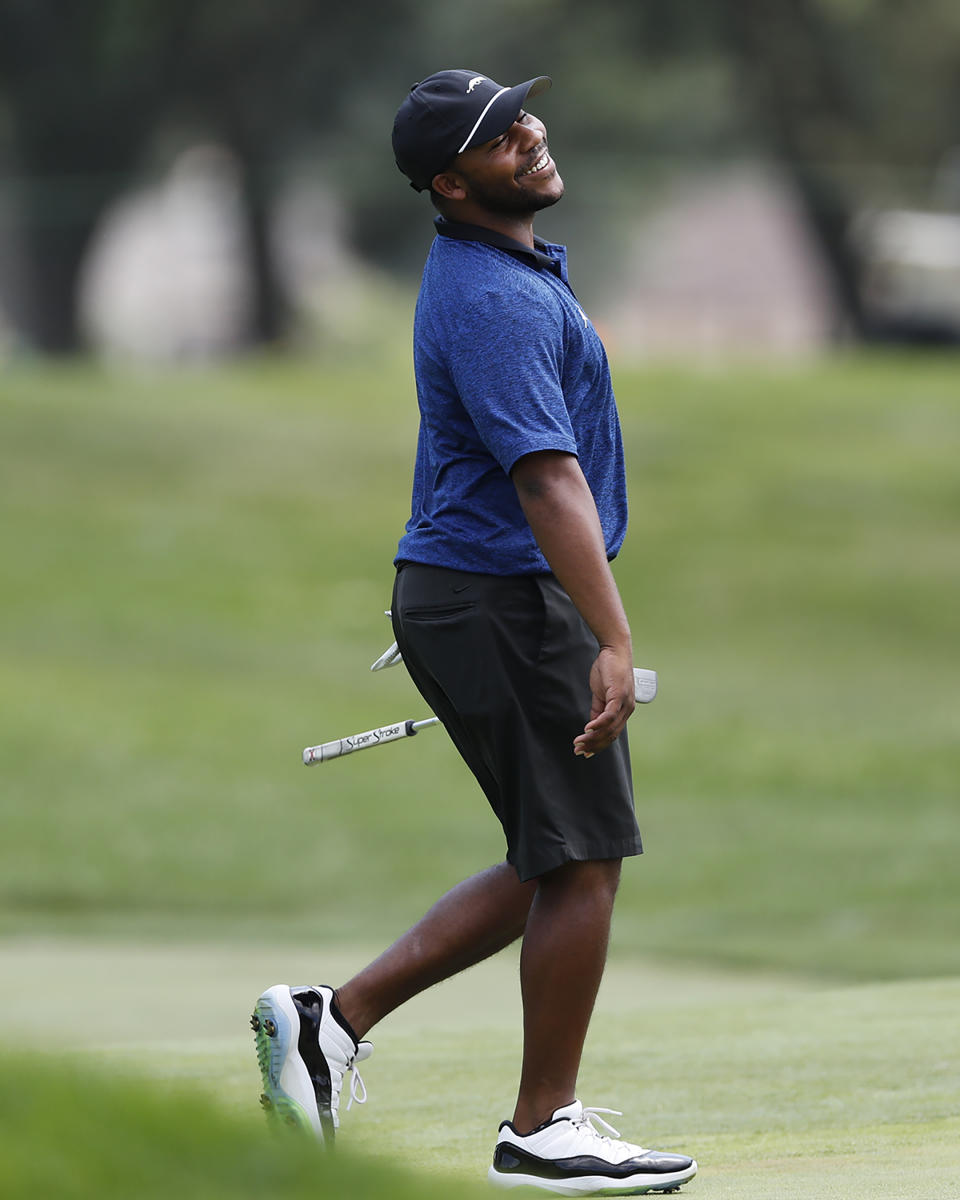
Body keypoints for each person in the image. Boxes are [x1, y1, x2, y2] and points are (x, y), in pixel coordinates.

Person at [251, 69, 697, 1196]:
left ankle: (328, 1025)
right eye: (501, 137)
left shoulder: (506, 270)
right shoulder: (493, 298)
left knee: (555, 852)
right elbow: (546, 481)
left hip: (487, 594)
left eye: (524, 118)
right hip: (501, 595)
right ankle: (541, 1127)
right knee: (584, 855)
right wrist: (608, 632)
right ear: (452, 183)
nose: (530, 137)